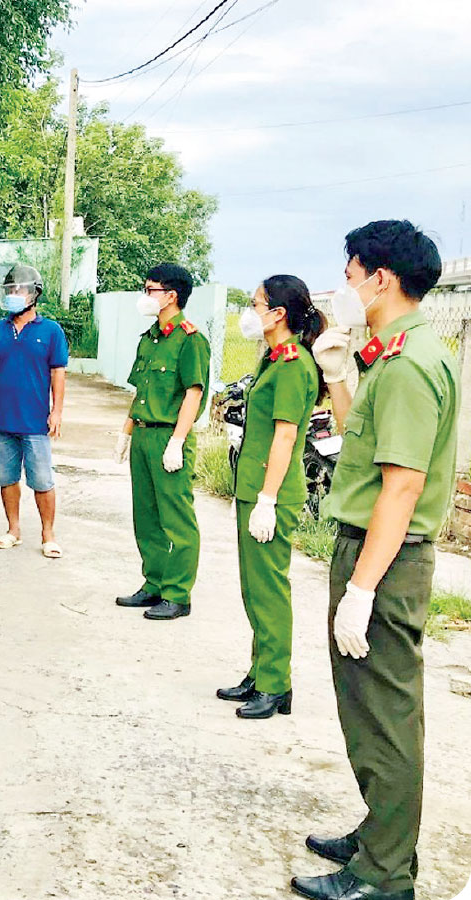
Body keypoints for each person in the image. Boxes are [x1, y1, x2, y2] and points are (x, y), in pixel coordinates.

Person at [291, 221, 458, 900]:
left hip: (386, 560)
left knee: (384, 719)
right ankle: (381, 834)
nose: (346, 285)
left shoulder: (414, 363)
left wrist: (362, 589)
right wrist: (336, 375)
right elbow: (366, 435)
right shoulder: (394, 355)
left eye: (352, 272)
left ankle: (386, 876)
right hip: (374, 550)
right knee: (369, 712)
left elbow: (403, 484)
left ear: (381, 277)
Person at [217, 275, 325, 719]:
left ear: (278, 313)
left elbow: (285, 438)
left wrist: (267, 499)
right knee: (253, 588)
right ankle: (260, 672)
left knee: (269, 590)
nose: (250, 310)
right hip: (255, 489)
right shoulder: (273, 359)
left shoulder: (294, 364)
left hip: (271, 495)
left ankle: (276, 685)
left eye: (256, 303)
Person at [113, 263, 210, 621]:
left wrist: (178, 440)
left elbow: (193, 393)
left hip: (169, 436)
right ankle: (153, 583)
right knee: (147, 515)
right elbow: (141, 390)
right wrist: (126, 431)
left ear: (171, 295)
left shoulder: (190, 339)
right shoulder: (150, 338)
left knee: (177, 519)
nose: (145, 296)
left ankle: (178, 593)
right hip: (143, 433)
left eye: (151, 289)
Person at [0, 264, 69, 558]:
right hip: (2, 420)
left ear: (34, 294)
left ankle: (48, 534)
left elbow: (58, 372)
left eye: (19, 289)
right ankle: (13, 529)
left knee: (42, 480)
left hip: (35, 421)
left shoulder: (50, 331)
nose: (14, 295)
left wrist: (56, 411)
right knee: (7, 478)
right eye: (10, 290)